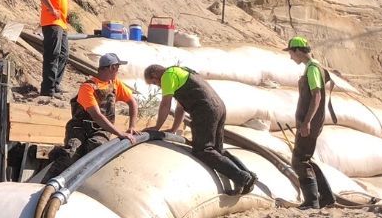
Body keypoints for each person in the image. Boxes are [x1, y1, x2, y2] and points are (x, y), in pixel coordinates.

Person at [143, 63, 257, 196]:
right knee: (217, 151)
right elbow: (180, 107)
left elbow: (165, 104)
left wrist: (157, 127)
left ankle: (241, 177)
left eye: (155, 83)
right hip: (218, 107)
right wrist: (174, 128)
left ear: (155, 75)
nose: (158, 86)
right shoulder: (180, 72)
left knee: (202, 150)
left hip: (205, 110)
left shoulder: (167, 76)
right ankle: (249, 177)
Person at [59, 53, 138, 164]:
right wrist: (120, 133)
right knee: (71, 153)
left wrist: (132, 127)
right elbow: (96, 115)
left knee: (97, 147)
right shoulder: (88, 87)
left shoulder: (115, 84)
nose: (118, 71)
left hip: (101, 130)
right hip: (79, 128)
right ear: (112, 67)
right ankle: (50, 180)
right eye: (118, 68)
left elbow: (132, 102)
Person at [286, 36, 332, 210]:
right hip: (310, 122)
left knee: (299, 161)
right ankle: (326, 197)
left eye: (291, 53)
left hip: (309, 123)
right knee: (306, 159)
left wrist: (306, 122)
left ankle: (312, 201)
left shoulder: (312, 69)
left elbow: (317, 96)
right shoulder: (313, 67)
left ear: (298, 51)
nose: (291, 57)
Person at [35, 0, 73, 98]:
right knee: (53, 54)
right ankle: (47, 89)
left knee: (64, 54)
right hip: (52, 22)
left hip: (61, 23)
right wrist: (51, 8)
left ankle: (55, 85)